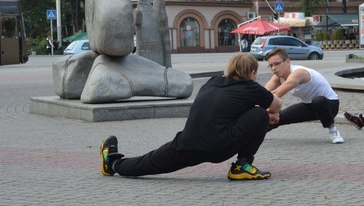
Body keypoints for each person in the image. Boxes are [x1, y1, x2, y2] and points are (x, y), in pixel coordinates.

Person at [99, 53, 282, 180]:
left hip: (188, 143)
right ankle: (242, 165)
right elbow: (277, 104)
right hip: (220, 146)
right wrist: (267, 115)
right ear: (252, 73)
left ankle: (113, 164)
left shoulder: (212, 83)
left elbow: (223, 110)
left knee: (150, 162)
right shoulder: (251, 87)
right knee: (259, 114)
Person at [264, 47, 344, 144]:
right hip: (308, 106)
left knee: (318, 101)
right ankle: (254, 134)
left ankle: (334, 132)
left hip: (329, 105)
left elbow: (277, 94)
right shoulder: (278, 77)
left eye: (276, 64)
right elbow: (263, 93)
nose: (273, 68)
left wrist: (266, 107)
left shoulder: (299, 73)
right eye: (270, 65)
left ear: (287, 62)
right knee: (279, 117)